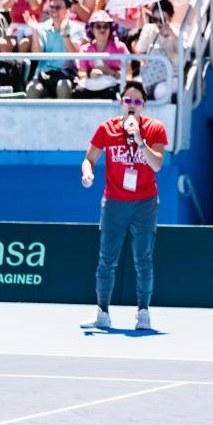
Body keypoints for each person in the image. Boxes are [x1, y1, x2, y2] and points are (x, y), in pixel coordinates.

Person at [80, 81, 169, 331]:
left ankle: (143, 312)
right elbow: (89, 159)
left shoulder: (155, 129)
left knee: (143, 258)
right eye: (127, 101)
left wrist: (140, 141)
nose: (132, 106)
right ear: (120, 103)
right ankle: (102, 313)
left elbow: (157, 164)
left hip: (144, 203)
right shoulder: (106, 129)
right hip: (114, 203)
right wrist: (87, 174)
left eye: (137, 101)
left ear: (144, 106)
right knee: (106, 259)